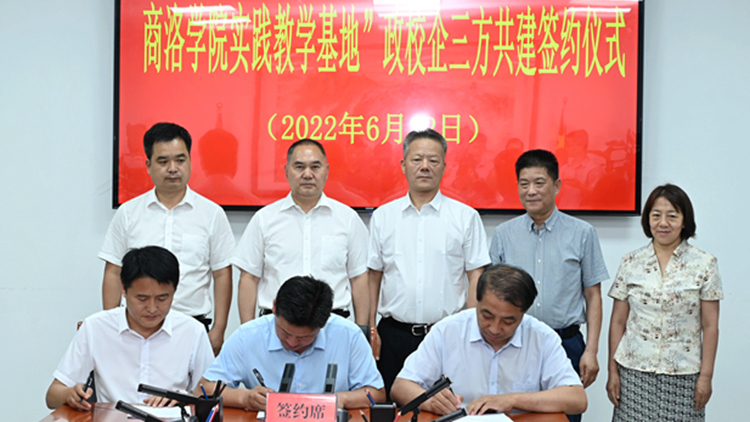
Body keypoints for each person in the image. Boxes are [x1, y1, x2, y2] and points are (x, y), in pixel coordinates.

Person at [368, 129, 490, 398]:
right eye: (417, 159)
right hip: (394, 335)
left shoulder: (465, 217)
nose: (425, 166)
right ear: (404, 165)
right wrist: (371, 328)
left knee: (447, 407)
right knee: (393, 407)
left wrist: (469, 329)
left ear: (444, 166)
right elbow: (374, 275)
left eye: (433, 160)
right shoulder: (383, 216)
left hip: (447, 334)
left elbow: (476, 276)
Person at [489, 149, 607, 422]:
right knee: (512, 416)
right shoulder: (504, 234)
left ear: (556, 186)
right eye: (524, 183)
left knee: (564, 417)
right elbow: (493, 296)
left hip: (566, 344)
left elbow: (593, 296)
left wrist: (591, 351)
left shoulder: (582, 233)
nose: (531, 191)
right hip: (515, 343)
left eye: (539, 182)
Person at [99, 122, 235, 356]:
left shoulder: (212, 214)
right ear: (148, 166)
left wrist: (219, 329)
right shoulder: (129, 213)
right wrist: (110, 324)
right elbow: (113, 271)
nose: (173, 168)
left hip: (192, 326)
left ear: (190, 162)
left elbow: (222, 274)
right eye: (163, 162)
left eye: (180, 160)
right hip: (136, 327)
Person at [391, 264, 587, 416]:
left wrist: (512, 400)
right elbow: (400, 387)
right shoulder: (448, 330)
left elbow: (577, 399)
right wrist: (431, 402)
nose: (494, 328)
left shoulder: (542, 337)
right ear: (477, 301)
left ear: (524, 312)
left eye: (508, 321)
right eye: (486, 315)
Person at [46, 246, 214, 410]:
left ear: (174, 291)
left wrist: (182, 398)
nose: (152, 308)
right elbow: (52, 396)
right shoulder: (96, 328)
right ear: (123, 289)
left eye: (162, 298)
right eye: (142, 298)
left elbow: (210, 397)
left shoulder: (192, 331)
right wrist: (69, 394)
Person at [607, 184, 722, 422]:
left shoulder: (705, 264)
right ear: (647, 219)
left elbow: (710, 326)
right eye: (656, 215)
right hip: (634, 372)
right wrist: (612, 371)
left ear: (684, 220)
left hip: (684, 374)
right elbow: (618, 321)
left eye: (672, 216)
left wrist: (706, 376)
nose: (663, 223)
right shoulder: (631, 262)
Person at [233, 139, 369, 325]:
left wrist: (362, 329)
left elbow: (359, 278)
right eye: (299, 167)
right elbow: (249, 278)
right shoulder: (264, 219)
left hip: (332, 324)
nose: (307, 174)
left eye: (315, 167)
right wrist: (248, 331)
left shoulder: (348, 219)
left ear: (327, 171)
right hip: (275, 324)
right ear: (286, 171)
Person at [199, 275, 385, 410]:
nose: (292, 342)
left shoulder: (348, 336)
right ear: (274, 307)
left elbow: (376, 393)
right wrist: (245, 398)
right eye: (285, 332)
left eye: (305, 337)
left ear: (323, 323)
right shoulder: (248, 336)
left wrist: (340, 399)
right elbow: (204, 388)